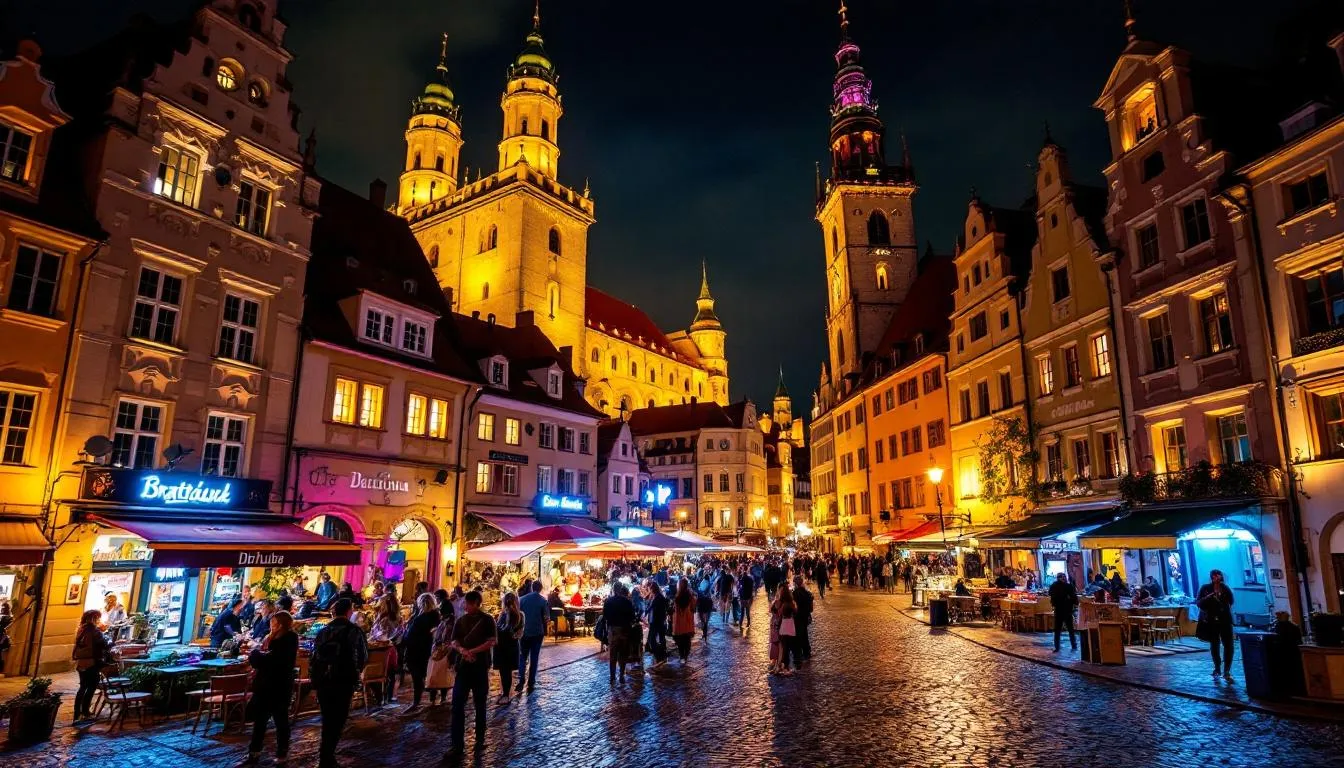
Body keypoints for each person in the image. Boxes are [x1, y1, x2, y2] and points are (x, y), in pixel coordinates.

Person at [310, 599, 367, 768]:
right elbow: (363, 656)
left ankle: (325, 753)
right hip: (344, 679)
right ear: (349, 611)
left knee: (327, 716)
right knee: (339, 716)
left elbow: (314, 656)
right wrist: (356, 671)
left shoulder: (323, 631)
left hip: (324, 680)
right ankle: (327, 754)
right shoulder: (354, 631)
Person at [447, 591, 498, 760]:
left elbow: (492, 641)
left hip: (480, 667)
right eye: (465, 604)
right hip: (463, 668)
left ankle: (480, 739)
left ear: (476, 603)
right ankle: (457, 744)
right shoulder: (461, 621)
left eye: (468, 604)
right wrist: (462, 650)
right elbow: (454, 641)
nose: (466, 607)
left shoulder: (487, 620)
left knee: (480, 704)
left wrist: (472, 651)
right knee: (457, 705)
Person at [244, 610, 298, 764]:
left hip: (278, 686)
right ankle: (254, 751)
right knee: (261, 721)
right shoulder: (271, 638)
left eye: (273, 622)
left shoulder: (289, 638)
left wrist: (256, 654)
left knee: (280, 720)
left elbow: (275, 660)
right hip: (266, 686)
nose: (271, 625)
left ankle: (281, 753)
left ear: (280, 624)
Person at [403, 592, 441, 711]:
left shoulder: (420, 618)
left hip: (417, 650)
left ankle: (417, 701)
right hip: (428, 649)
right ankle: (432, 698)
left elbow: (412, 635)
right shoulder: (436, 616)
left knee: (417, 677)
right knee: (428, 674)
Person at [71, 609, 111, 722]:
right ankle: (85, 711)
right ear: (94, 618)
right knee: (91, 686)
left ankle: (77, 713)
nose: (99, 620)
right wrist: (110, 641)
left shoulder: (81, 629)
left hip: (81, 662)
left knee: (83, 687)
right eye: (97, 618)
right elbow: (103, 645)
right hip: (92, 662)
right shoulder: (94, 631)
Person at [1197, 569, 1236, 682]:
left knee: (1228, 645)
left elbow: (1231, 601)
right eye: (1215, 576)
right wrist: (1210, 596)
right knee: (1215, 645)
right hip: (1212, 620)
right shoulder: (1206, 588)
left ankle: (1227, 670)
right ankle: (1217, 668)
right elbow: (1199, 602)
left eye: (1219, 576)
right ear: (1212, 577)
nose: (1217, 578)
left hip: (1225, 620)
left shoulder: (1225, 588)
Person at [369, 592, 403, 704]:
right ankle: (387, 696)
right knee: (390, 675)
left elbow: (382, 636)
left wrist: (373, 638)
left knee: (378, 674)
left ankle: (381, 697)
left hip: (382, 650)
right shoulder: (397, 618)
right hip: (391, 649)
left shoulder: (384, 619)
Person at [517, 580, 549, 694]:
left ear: (531, 587)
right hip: (537, 633)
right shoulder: (542, 600)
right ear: (540, 589)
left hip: (524, 632)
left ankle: (521, 680)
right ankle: (531, 682)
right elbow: (546, 618)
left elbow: (518, 615)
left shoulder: (522, 599)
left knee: (522, 657)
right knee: (534, 658)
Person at [602, 583, 636, 683]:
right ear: (621, 590)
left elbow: (605, 616)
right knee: (623, 654)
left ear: (613, 589)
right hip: (624, 630)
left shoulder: (608, 601)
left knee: (613, 654)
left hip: (613, 630)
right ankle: (621, 675)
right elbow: (632, 616)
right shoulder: (627, 602)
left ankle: (612, 677)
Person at [494, 592, 523, 703]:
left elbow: (514, 632)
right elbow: (519, 634)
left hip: (503, 646)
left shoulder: (503, 615)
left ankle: (506, 695)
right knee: (506, 671)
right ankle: (505, 694)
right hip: (510, 646)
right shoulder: (519, 615)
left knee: (504, 671)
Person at [425, 602, 455, 705]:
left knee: (439, 675)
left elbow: (446, 637)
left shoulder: (449, 622)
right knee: (438, 675)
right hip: (439, 650)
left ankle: (439, 697)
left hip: (443, 650)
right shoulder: (444, 621)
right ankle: (438, 697)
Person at [770, 587, 798, 675]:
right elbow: (795, 612)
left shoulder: (781, 603)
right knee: (787, 647)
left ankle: (780, 667)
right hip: (789, 625)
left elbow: (774, 610)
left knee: (783, 647)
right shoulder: (791, 603)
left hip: (783, 626)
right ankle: (785, 667)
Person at [1048, 572, 1078, 652]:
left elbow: (1050, 595)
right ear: (1061, 578)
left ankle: (1057, 647)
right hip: (1067, 610)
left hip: (1058, 610)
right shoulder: (1068, 586)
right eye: (1064, 577)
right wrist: (1073, 602)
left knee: (1057, 630)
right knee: (1070, 628)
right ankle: (1073, 645)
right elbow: (1074, 598)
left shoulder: (1054, 586)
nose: (1065, 578)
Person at [671, 578, 696, 663]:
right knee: (687, 639)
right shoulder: (690, 596)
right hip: (688, 621)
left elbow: (675, 610)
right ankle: (685, 655)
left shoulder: (677, 597)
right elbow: (694, 607)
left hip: (679, 622)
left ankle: (682, 656)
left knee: (680, 641)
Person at [645, 580, 669, 666]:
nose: (649, 590)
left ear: (653, 589)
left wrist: (645, 613)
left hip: (656, 621)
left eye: (650, 589)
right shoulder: (657, 596)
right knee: (660, 637)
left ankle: (659, 654)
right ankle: (661, 653)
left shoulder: (657, 597)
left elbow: (650, 608)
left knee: (653, 638)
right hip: (657, 620)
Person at [792, 575, 814, 662]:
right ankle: (807, 652)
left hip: (798, 617)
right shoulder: (808, 593)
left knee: (798, 635)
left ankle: (800, 653)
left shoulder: (795, 594)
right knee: (804, 633)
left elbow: (794, 607)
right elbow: (811, 609)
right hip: (805, 616)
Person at [0, 602, 12, 670]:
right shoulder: (4, 617)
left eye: (3, 608)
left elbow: (6, 629)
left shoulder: (7, 617)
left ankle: (1, 667)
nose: (2, 609)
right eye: (2, 607)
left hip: (3, 636)